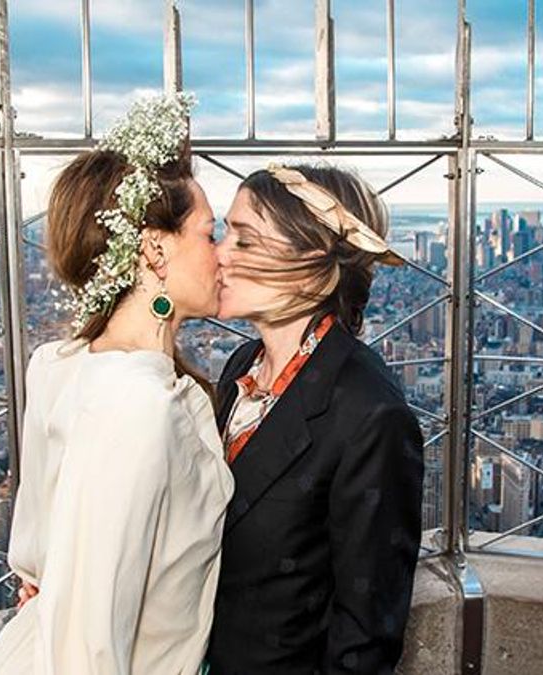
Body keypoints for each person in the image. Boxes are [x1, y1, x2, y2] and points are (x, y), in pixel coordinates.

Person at [0, 92, 233, 675]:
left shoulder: (60, 363)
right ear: (154, 248)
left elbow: (38, 560)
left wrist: (50, 589)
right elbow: (86, 649)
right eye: (208, 234)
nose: (222, 255)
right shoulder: (136, 404)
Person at [206, 163, 424, 674]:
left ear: (311, 263)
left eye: (244, 239)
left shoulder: (370, 414)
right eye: (224, 233)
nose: (220, 253)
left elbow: (365, 636)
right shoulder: (242, 365)